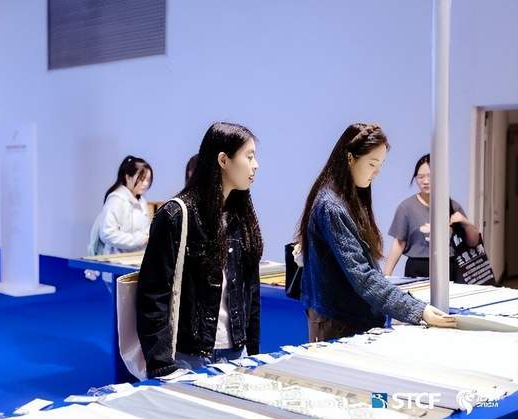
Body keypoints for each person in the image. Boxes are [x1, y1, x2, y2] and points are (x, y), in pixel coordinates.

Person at [297, 123, 455, 342]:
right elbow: (362, 275)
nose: (377, 172)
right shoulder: (331, 206)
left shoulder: (348, 198)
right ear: (350, 158)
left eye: (380, 165)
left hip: (350, 317)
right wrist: (418, 310)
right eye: (372, 164)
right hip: (339, 321)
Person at [137, 122, 263, 378]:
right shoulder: (176, 215)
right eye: (249, 157)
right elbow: (153, 294)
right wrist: (161, 364)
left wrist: (253, 351)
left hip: (237, 353)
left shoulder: (241, 217)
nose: (256, 165)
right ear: (223, 160)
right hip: (188, 356)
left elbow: (250, 292)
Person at [384, 153, 480, 279]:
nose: (425, 181)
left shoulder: (452, 206)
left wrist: (465, 222)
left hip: (448, 268)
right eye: (420, 177)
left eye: (430, 176)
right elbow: (399, 243)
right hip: (417, 269)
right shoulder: (406, 207)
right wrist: (386, 275)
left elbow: (473, 242)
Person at [87, 155, 153, 257]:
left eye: (148, 180)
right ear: (128, 177)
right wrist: (139, 240)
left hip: (136, 257)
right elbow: (107, 234)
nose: (145, 184)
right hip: (115, 258)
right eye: (141, 179)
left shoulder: (142, 201)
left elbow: (146, 230)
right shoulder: (116, 200)